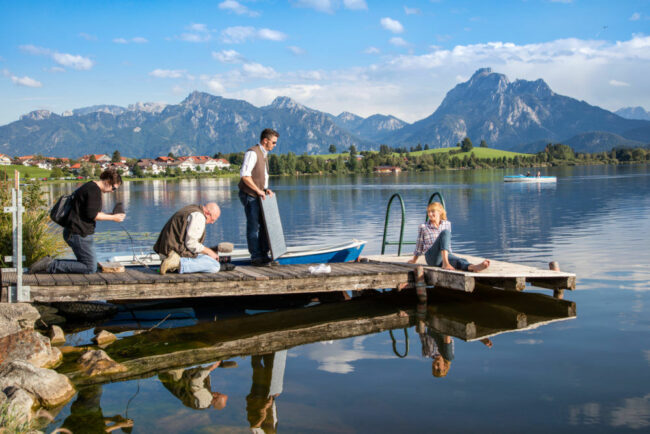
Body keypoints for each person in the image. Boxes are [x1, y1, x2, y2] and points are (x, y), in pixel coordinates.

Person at [30, 169, 126, 274]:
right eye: (113, 188)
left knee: (88, 264)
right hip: (78, 233)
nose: (112, 191)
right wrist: (114, 218)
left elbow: (89, 211)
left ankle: (49, 263)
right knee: (89, 267)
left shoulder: (90, 186)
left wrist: (111, 215)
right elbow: (92, 215)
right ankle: (50, 265)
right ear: (107, 182)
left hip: (76, 231)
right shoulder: (94, 191)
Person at [407, 202, 490, 272]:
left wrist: (451, 256)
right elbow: (419, 245)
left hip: (445, 255)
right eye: (428, 211)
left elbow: (446, 242)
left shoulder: (447, 224)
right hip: (431, 257)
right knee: (445, 233)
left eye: (432, 211)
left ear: (439, 212)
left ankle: (473, 267)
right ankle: (446, 263)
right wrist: (414, 260)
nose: (430, 214)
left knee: (460, 260)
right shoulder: (423, 226)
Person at [154, 202, 235, 274]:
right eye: (213, 219)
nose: (212, 222)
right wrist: (209, 251)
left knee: (208, 258)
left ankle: (173, 263)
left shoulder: (192, 209)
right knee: (215, 266)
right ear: (207, 213)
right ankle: (177, 264)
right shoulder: (199, 217)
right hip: (172, 253)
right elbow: (191, 244)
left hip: (167, 251)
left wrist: (210, 252)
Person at [238, 128, 278, 267]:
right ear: (265, 140)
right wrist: (258, 191)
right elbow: (245, 176)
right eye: (273, 142)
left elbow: (261, 177)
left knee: (265, 225)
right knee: (253, 226)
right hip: (250, 195)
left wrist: (265, 190)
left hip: (259, 194)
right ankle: (256, 257)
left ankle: (264, 255)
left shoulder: (264, 154)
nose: (275, 145)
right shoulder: (252, 153)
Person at [159, 361, 228, 410]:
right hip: (173, 379)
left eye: (219, 394)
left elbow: (195, 382)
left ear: (215, 399)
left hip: (175, 376)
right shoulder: (203, 403)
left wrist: (210, 368)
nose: (217, 392)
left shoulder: (206, 400)